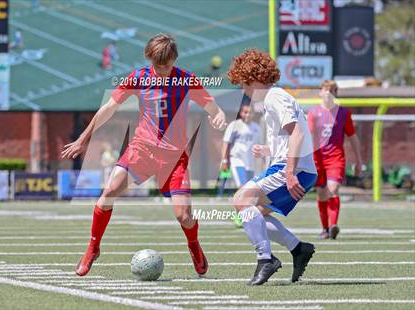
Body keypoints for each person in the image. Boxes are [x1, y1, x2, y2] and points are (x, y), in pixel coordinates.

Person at [62, 33, 226, 277]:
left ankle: (193, 245)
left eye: (167, 66)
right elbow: (108, 108)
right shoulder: (138, 78)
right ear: (149, 58)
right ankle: (93, 247)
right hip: (142, 150)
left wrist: (219, 115)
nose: (161, 70)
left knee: (184, 216)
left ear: (174, 60)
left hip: (174, 158)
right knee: (108, 193)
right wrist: (83, 139)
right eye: (157, 65)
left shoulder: (187, 80)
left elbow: (213, 107)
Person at [227, 48, 317, 286]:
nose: (244, 91)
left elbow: (296, 132)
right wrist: (270, 151)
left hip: (293, 169)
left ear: (255, 79)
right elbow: (295, 136)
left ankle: (265, 259)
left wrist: (289, 172)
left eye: (244, 84)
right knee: (254, 214)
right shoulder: (273, 98)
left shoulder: (274, 96)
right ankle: (298, 249)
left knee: (241, 200)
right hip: (295, 166)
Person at [307, 80, 363, 240]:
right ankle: (324, 228)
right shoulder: (313, 113)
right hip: (317, 158)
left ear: (336, 93)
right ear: (320, 92)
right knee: (321, 194)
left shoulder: (344, 113)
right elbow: (309, 137)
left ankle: (333, 226)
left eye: (331, 90)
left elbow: (353, 138)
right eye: (325, 89)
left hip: (335, 158)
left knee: (332, 189)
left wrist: (359, 161)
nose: (328, 92)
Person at [220, 100, 262, 227]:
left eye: (250, 112)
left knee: (249, 191)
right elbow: (226, 143)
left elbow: (258, 147)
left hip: (250, 163)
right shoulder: (234, 125)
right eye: (245, 112)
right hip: (236, 160)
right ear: (241, 112)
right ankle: (240, 216)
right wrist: (224, 160)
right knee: (243, 187)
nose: (248, 114)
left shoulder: (257, 128)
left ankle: (243, 213)